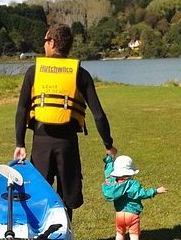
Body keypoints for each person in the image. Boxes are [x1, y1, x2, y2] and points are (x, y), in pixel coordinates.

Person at [13, 23, 117, 219]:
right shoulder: (80, 73)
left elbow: (21, 110)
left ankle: (40, 238)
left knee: (38, 194)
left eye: (45, 41)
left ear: (52, 42)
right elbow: (98, 114)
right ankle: (65, 235)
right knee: (66, 196)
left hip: (41, 142)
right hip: (67, 143)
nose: (44, 45)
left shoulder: (33, 71)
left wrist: (20, 143)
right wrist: (108, 144)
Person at [102, 154, 167, 240]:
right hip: (132, 215)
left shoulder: (112, 182)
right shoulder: (133, 184)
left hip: (119, 214)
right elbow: (143, 194)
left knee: (120, 232)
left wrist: (109, 159)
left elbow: (108, 171)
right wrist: (155, 191)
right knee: (134, 234)